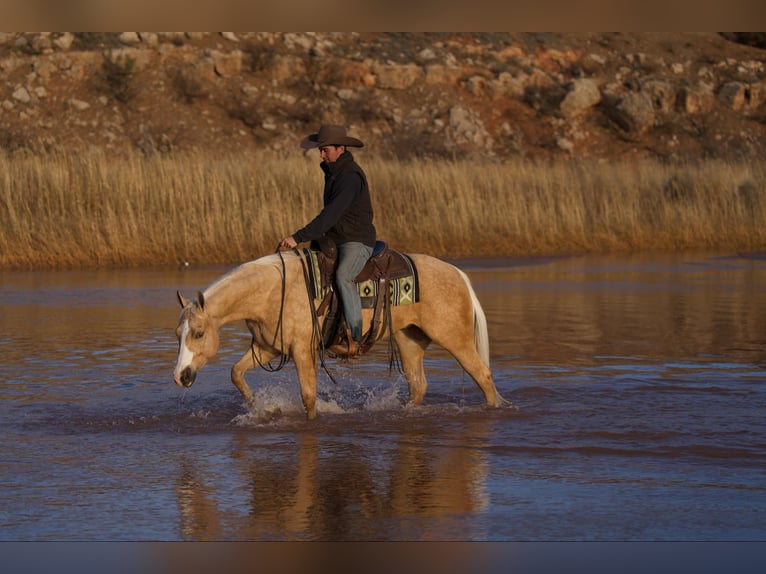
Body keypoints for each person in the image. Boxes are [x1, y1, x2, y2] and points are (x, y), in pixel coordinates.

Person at [280, 125, 376, 356]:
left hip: (357, 240)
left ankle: (355, 336)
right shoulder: (334, 173)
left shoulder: (350, 177)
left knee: (344, 276)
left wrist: (299, 237)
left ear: (340, 148)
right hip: (337, 238)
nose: (321, 155)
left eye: (325, 150)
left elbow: (330, 215)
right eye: (320, 150)